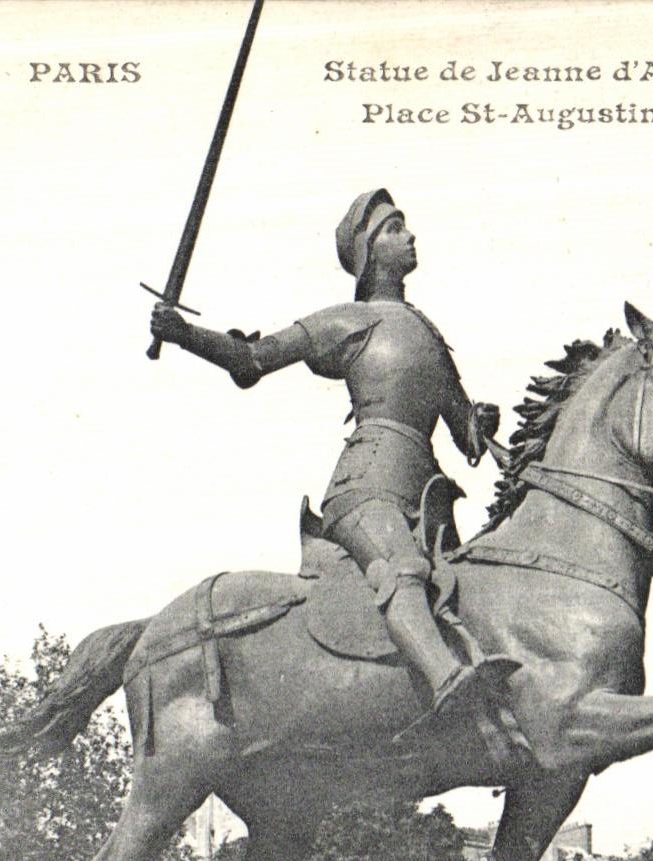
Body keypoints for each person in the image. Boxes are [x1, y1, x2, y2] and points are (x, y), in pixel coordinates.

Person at [149, 187, 521, 752]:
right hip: (365, 489)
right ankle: (448, 685)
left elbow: (463, 430)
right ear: (370, 252)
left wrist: (479, 422)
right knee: (399, 569)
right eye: (397, 228)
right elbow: (253, 360)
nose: (411, 235)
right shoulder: (347, 321)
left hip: (427, 497)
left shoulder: (426, 333)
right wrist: (185, 335)